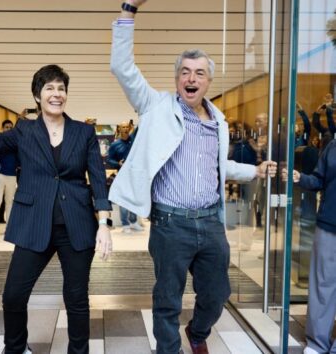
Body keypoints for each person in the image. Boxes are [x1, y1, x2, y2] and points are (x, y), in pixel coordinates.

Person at [108, 2, 277, 353]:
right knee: (168, 299)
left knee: (217, 294)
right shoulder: (157, 107)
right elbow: (122, 68)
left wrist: (254, 170)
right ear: (176, 79)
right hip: (171, 224)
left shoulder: (219, 122)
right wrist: (128, 11)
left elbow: (218, 168)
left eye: (199, 73)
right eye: (185, 72)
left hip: (211, 223)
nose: (191, 79)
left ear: (208, 81)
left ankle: (197, 333)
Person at [0, 62, 112, 354]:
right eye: (49, 88)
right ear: (37, 96)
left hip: (76, 224)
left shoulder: (84, 132)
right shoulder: (24, 131)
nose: (56, 94)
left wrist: (103, 224)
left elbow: (98, 179)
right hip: (33, 222)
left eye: (61, 88)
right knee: (14, 296)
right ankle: (15, 348)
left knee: (77, 298)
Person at [283, 140, 336, 354]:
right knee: (322, 284)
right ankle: (317, 343)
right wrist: (300, 178)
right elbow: (319, 179)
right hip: (329, 225)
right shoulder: (333, 146)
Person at [106, 121, 143, 233]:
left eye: (127, 126)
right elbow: (109, 159)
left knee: (134, 198)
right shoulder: (115, 145)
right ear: (119, 129)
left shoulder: (134, 140)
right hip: (122, 175)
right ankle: (125, 224)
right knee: (123, 200)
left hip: (135, 174)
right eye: (123, 127)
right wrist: (118, 163)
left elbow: (139, 128)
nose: (125, 129)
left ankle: (133, 221)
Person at [0, 119, 18, 239]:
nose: (9, 129)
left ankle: (9, 229)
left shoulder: (15, 142)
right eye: (6, 127)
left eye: (11, 127)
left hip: (12, 175)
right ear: (2, 128)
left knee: (10, 203)